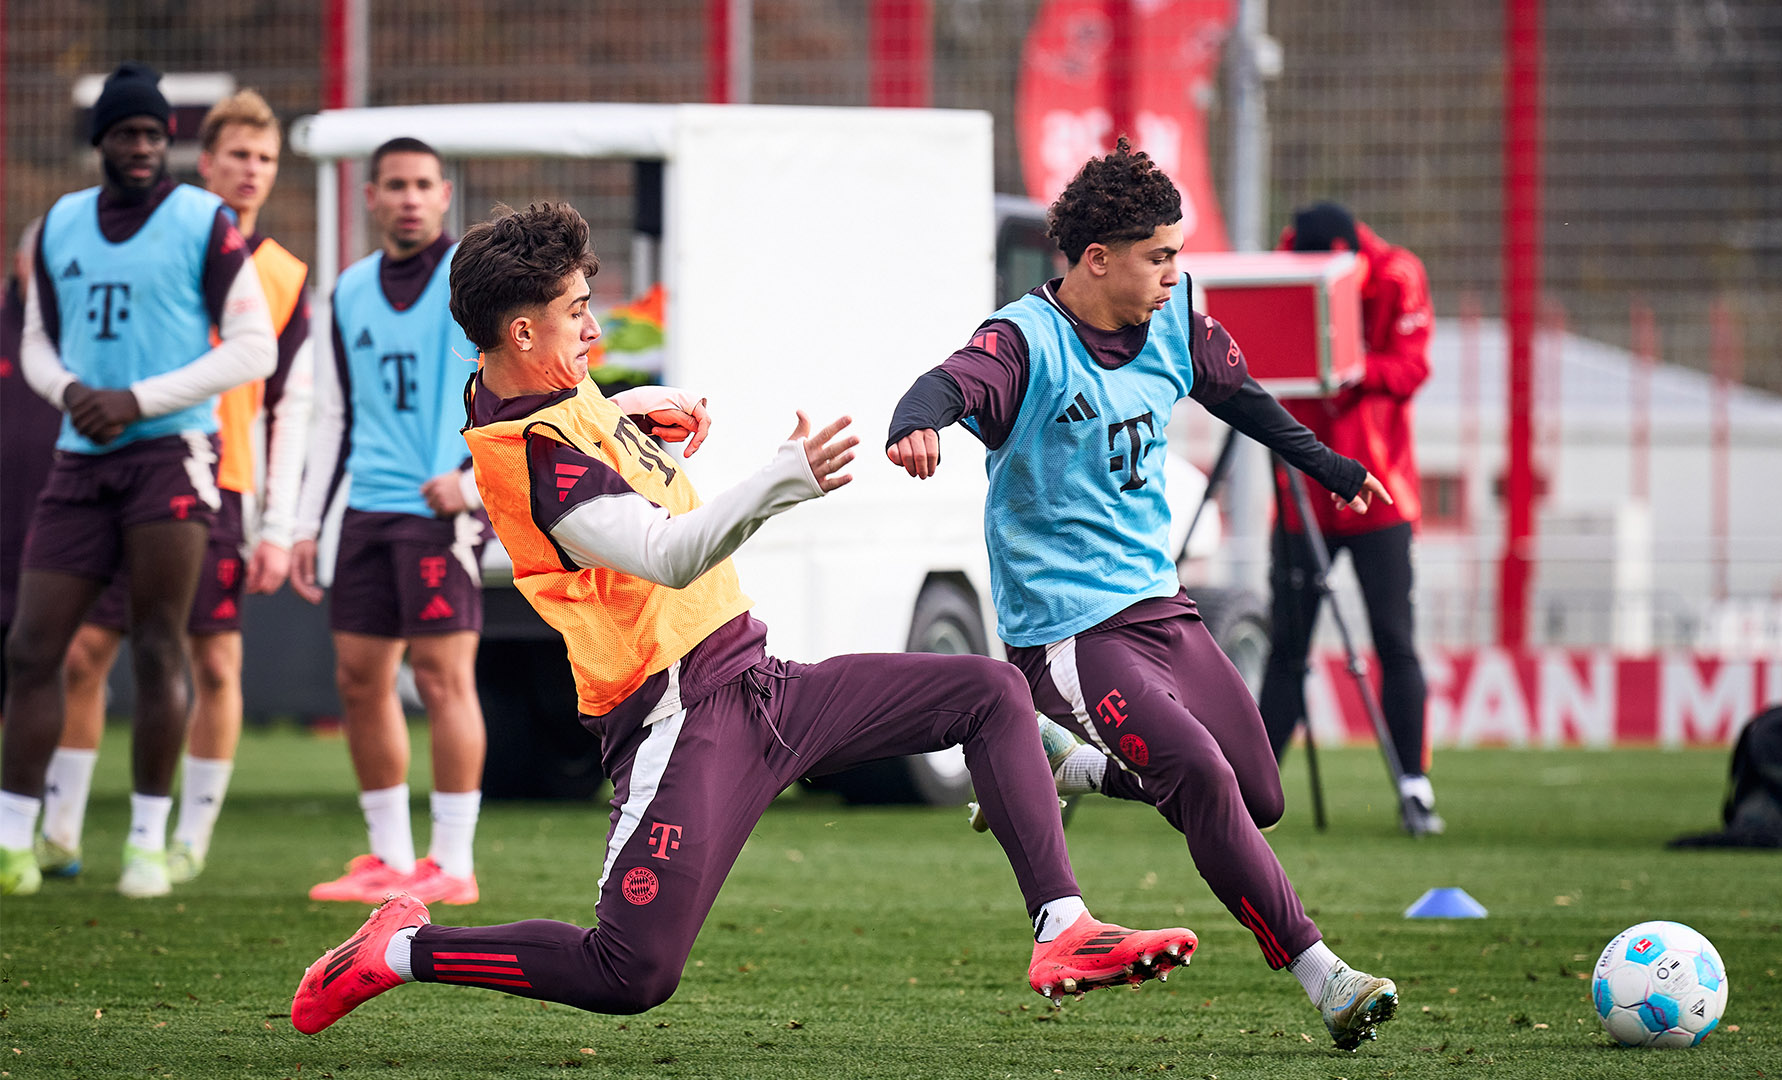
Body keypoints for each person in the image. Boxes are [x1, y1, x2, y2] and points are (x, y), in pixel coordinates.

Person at [289, 202, 1198, 1035]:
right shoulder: (532, 458)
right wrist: (783, 477)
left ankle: (1064, 927)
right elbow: (666, 551)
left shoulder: (546, 392)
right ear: (522, 331)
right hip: (677, 724)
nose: (595, 328)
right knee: (630, 972)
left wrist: (637, 408)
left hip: (758, 683)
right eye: (577, 313)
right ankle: (400, 949)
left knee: (989, 691)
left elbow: (560, 406)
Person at [885, 140, 1402, 1051]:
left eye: (1176, 254)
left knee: (1258, 794)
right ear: (1098, 260)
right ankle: (1327, 978)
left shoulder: (1178, 320)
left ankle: (1071, 766)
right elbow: (952, 382)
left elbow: (1242, 397)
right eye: (1159, 255)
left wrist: (1331, 467)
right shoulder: (1025, 340)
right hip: (1071, 634)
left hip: (1159, 606)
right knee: (1200, 779)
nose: (1176, 273)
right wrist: (917, 424)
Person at [0, 62, 276, 897]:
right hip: (81, 458)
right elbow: (39, 340)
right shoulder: (59, 224)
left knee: (160, 647)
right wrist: (73, 394)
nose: (144, 148)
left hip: (171, 456)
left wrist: (137, 399)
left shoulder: (205, 221)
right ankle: (16, 841)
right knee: (32, 646)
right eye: (128, 134)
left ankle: (150, 844)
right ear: (101, 145)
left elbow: (251, 346)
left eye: (156, 134)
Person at [288, 137, 488, 906]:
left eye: (422, 185)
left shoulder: (472, 283)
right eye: (393, 185)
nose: (408, 197)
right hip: (365, 512)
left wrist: (470, 484)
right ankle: (390, 859)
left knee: (442, 679)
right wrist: (307, 524)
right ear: (369, 197)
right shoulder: (345, 292)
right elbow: (333, 415)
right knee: (360, 681)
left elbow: (519, 392)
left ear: (444, 195)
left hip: (440, 516)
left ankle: (454, 863)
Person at [1262, 201, 1439, 836]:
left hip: (1381, 492)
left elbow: (1414, 366)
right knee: (1288, 646)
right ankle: (1255, 791)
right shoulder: (1287, 264)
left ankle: (1414, 785)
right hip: (1301, 494)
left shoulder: (1396, 274)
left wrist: (1350, 369)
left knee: (1394, 638)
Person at [2, 221, 64, 719]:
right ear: (22, 263)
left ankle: (53, 791)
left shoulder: (83, 336)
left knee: (48, 670)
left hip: (54, 541)